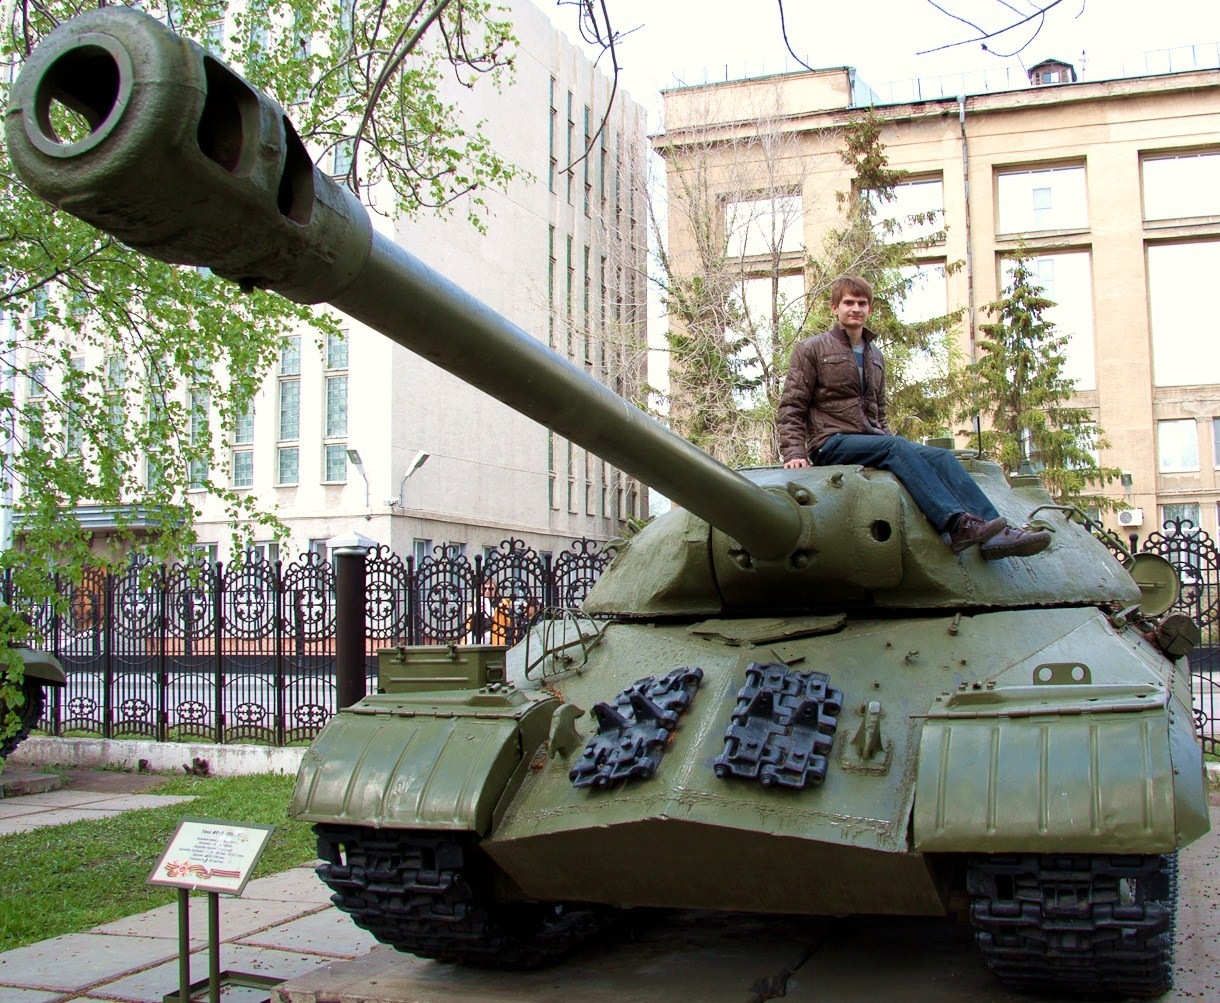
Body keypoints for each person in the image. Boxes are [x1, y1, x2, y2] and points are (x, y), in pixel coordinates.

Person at [776, 275, 1050, 560]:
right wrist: (794, 452)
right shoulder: (812, 348)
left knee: (941, 457)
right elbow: (792, 404)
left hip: (872, 441)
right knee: (896, 446)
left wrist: (884, 435)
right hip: (831, 442)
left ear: (869, 308)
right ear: (835, 307)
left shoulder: (874, 354)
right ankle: (956, 524)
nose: (855, 308)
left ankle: (994, 532)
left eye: (862, 303)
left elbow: (878, 408)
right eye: (848, 303)